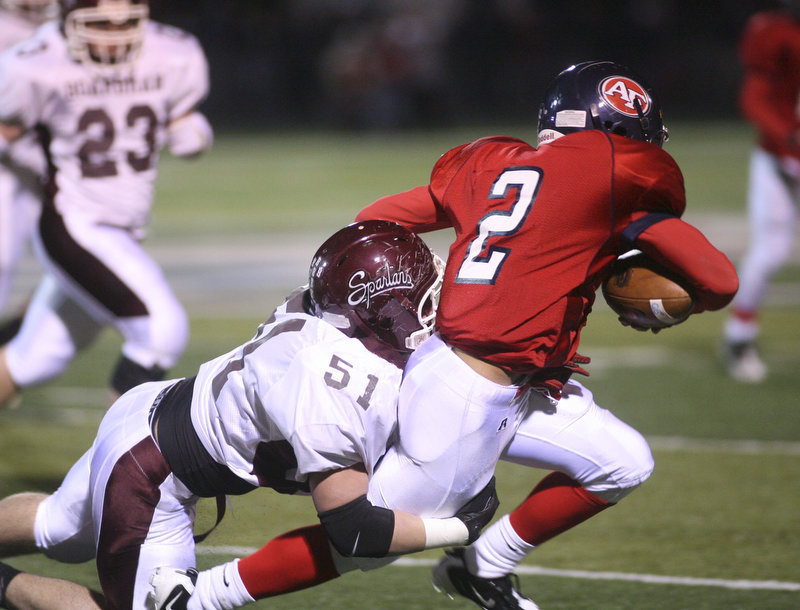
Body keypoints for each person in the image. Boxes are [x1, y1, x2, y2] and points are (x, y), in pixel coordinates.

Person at [151, 61, 738, 610]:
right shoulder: (620, 172)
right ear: (624, 130)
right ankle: (203, 597)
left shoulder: (496, 163)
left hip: (504, 377)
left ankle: (483, 564)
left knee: (622, 462)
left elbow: (375, 215)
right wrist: (663, 290)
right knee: (367, 538)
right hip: (468, 391)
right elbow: (720, 280)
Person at [0, 220, 502, 610]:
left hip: (153, 410)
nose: (434, 309)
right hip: (153, 477)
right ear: (376, 308)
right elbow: (355, 530)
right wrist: (460, 526)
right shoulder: (333, 387)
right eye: (422, 297)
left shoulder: (325, 320)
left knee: (58, 527)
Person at [0, 0, 214, 410]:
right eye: (99, 24)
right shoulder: (35, 62)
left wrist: (193, 132)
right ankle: (111, 470)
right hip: (74, 222)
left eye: (128, 23)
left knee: (35, 359)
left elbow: (182, 117)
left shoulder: (171, 51)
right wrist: (29, 155)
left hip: (123, 228)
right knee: (160, 332)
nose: (115, 35)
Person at [720, 0, 800, 383]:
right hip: (781, 157)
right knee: (771, 250)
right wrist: (788, 136)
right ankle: (739, 338)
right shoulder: (777, 32)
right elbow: (753, 98)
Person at [0, 0, 55, 342]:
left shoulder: (66, 25)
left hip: (60, 167)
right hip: (9, 166)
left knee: (78, 274)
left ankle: (11, 342)